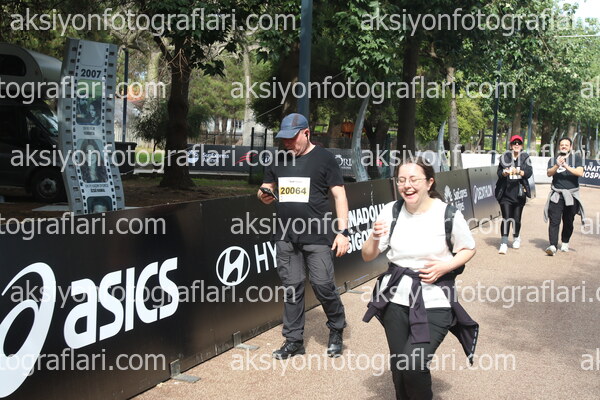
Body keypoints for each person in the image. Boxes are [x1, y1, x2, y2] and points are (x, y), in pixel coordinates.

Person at [361, 157, 477, 400]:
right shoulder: (391, 211)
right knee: (399, 366)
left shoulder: (448, 214)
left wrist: (445, 266)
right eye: (401, 180)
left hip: (435, 301)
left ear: (429, 182)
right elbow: (368, 255)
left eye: (414, 179)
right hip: (395, 301)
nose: (407, 185)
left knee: (413, 365)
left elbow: (468, 248)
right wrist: (374, 236)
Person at [258, 113, 350, 359]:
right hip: (286, 236)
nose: (287, 143)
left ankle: (336, 327)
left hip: (318, 235)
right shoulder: (278, 159)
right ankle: (294, 340)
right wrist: (263, 194)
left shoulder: (325, 158)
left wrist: (343, 232)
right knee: (292, 288)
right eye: (284, 139)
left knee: (323, 285)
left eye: (292, 138)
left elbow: (339, 195)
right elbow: (266, 189)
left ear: (306, 133)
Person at [544, 137, 585, 255]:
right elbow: (549, 173)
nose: (564, 147)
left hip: (571, 195)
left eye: (566, 145)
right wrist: (557, 165)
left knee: (568, 221)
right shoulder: (553, 159)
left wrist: (566, 165)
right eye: (562, 145)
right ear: (559, 146)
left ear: (571, 147)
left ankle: (565, 242)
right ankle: (552, 245)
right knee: (554, 220)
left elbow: (580, 172)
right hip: (556, 195)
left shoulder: (577, 158)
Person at [494, 135, 533, 254]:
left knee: (516, 219)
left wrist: (519, 171)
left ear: (521, 146)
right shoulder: (504, 157)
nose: (516, 145)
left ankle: (516, 237)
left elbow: (529, 173)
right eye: (514, 143)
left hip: (519, 193)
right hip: (505, 193)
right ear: (510, 145)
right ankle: (504, 242)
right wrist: (504, 173)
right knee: (506, 218)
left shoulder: (526, 157)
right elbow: (499, 173)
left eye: (519, 143)